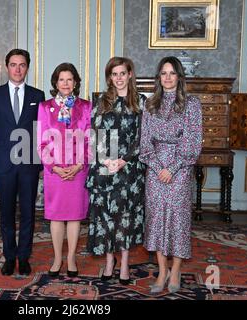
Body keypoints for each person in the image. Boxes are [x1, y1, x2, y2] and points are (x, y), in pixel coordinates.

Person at [139, 56, 202, 294]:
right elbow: (144, 144)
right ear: (159, 78)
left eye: (172, 73)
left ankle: (176, 269)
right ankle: (162, 270)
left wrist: (172, 168)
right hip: (155, 170)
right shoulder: (150, 105)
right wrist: (157, 167)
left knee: (178, 219)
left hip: (180, 170)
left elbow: (193, 144)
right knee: (155, 219)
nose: (167, 77)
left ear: (179, 77)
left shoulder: (192, 104)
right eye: (163, 73)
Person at [0, 49, 45, 276]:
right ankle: (9, 257)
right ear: (7, 67)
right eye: (13, 65)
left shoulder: (38, 96)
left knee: (28, 213)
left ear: (27, 67)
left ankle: (23, 257)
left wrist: (39, 164)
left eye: (22, 65)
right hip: (3, 164)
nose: (18, 69)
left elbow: (41, 132)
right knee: (6, 213)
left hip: (29, 164)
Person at [86, 57, 146, 285]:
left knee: (124, 218)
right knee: (105, 216)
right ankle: (109, 262)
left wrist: (123, 160)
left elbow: (143, 137)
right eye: (114, 74)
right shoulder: (102, 102)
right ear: (109, 77)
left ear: (130, 74)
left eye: (122, 73)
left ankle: (125, 263)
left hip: (129, 170)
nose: (119, 78)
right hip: (104, 168)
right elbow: (95, 134)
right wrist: (106, 160)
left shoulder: (140, 103)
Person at [37, 63, 91, 277]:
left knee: (74, 216)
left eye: (69, 79)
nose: (66, 83)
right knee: (57, 216)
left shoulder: (86, 107)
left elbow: (90, 140)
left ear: (75, 82)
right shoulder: (44, 107)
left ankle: (71, 259)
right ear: (55, 83)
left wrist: (79, 165)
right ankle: (58, 257)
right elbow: (41, 142)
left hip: (78, 170)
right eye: (62, 79)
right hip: (55, 171)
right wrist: (55, 167)